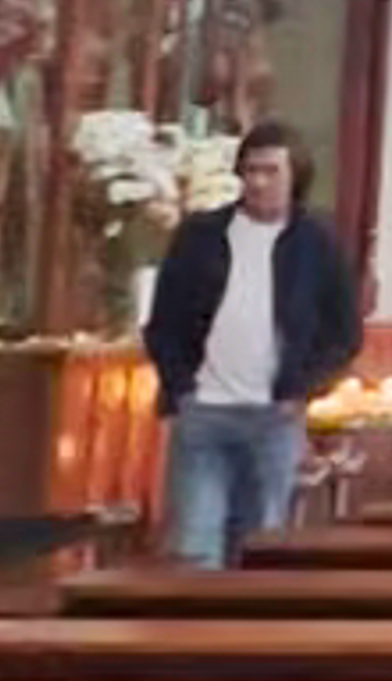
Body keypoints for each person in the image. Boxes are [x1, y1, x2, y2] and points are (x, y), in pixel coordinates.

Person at [145, 124, 359, 567]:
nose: (259, 182)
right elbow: (164, 322)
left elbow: (344, 331)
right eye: (250, 171)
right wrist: (180, 385)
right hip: (204, 410)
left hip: (273, 417)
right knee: (195, 546)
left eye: (270, 171)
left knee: (261, 547)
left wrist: (303, 388)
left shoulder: (316, 243)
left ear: (294, 176)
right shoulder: (200, 236)